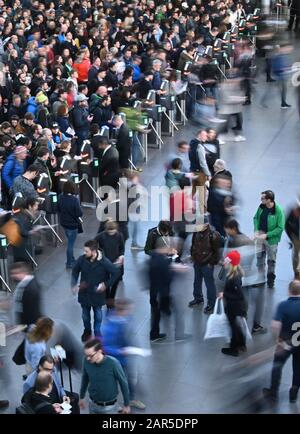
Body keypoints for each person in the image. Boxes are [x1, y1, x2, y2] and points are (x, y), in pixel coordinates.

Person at [71, 240, 120, 342]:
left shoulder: (104, 262)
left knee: (98, 314)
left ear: (94, 251)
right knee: (85, 315)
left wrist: (106, 284)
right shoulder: (82, 259)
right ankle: (87, 331)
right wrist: (74, 284)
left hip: (97, 295)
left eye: (86, 251)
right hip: (84, 294)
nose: (84, 253)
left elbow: (116, 273)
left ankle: (97, 332)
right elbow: (75, 270)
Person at [102, 299, 146, 410]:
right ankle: (110, 403)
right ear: (122, 310)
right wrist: (120, 351)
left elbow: (129, 334)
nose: (131, 312)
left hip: (125, 358)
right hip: (116, 360)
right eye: (129, 310)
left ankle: (131, 399)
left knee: (129, 379)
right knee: (115, 382)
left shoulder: (126, 318)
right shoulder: (110, 326)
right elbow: (105, 347)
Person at [263, 280, 300, 403]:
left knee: (277, 365)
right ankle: (294, 393)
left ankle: (273, 393)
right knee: (298, 368)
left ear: (289, 291)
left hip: (285, 343)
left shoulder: (283, 306)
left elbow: (275, 325)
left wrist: (277, 339)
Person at [79, 338, 131, 414]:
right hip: (92, 404)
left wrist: (126, 405)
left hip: (109, 408)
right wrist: (82, 397)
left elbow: (123, 383)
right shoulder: (86, 361)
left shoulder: (113, 363)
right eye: (86, 355)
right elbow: (85, 378)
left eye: (90, 355)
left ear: (99, 351)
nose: (88, 358)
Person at [253, 190, 285, 289]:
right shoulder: (261, 207)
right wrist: (256, 230)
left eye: (263, 198)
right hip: (260, 238)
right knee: (259, 259)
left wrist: (267, 235)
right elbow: (255, 218)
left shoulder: (278, 210)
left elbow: (280, 227)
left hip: (271, 240)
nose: (260, 200)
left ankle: (271, 280)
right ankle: (260, 279)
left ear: (269, 200)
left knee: (271, 261)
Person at [219, 250, 248, 356]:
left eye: (227, 261)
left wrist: (225, 295)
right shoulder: (236, 273)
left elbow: (239, 295)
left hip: (234, 307)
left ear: (231, 263)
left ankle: (233, 349)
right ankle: (241, 344)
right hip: (237, 307)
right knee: (237, 326)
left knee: (233, 327)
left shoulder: (234, 277)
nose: (225, 262)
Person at [189, 222, 221, 313]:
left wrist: (211, 263)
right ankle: (198, 298)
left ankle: (211, 304)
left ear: (206, 224)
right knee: (197, 282)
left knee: (209, 284)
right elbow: (193, 245)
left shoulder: (214, 235)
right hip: (197, 262)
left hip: (207, 264)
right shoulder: (196, 232)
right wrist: (192, 256)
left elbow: (216, 252)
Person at [95, 220, 125, 306]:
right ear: (106, 230)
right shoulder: (101, 236)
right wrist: (98, 253)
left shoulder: (119, 236)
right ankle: (107, 298)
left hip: (116, 262)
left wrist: (121, 256)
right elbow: (94, 244)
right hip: (105, 262)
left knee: (115, 281)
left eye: (113, 231)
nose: (111, 233)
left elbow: (122, 248)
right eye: (110, 232)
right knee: (106, 280)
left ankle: (111, 298)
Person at [57, 181, 83, 269]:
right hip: (73, 225)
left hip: (64, 223)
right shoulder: (74, 200)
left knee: (69, 241)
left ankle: (72, 259)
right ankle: (69, 262)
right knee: (70, 244)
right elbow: (79, 213)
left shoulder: (60, 197)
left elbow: (58, 209)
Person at [10, 261, 42, 327]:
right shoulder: (27, 282)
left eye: (16, 273)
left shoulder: (30, 290)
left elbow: (32, 311)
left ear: (23, 272)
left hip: (30, 324)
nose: (13, 276)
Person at [285, 202, 300, 279]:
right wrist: (291, 237)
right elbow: (286, 224)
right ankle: (296, 272)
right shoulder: (293, 211)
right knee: (296, 254)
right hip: (296, 236)